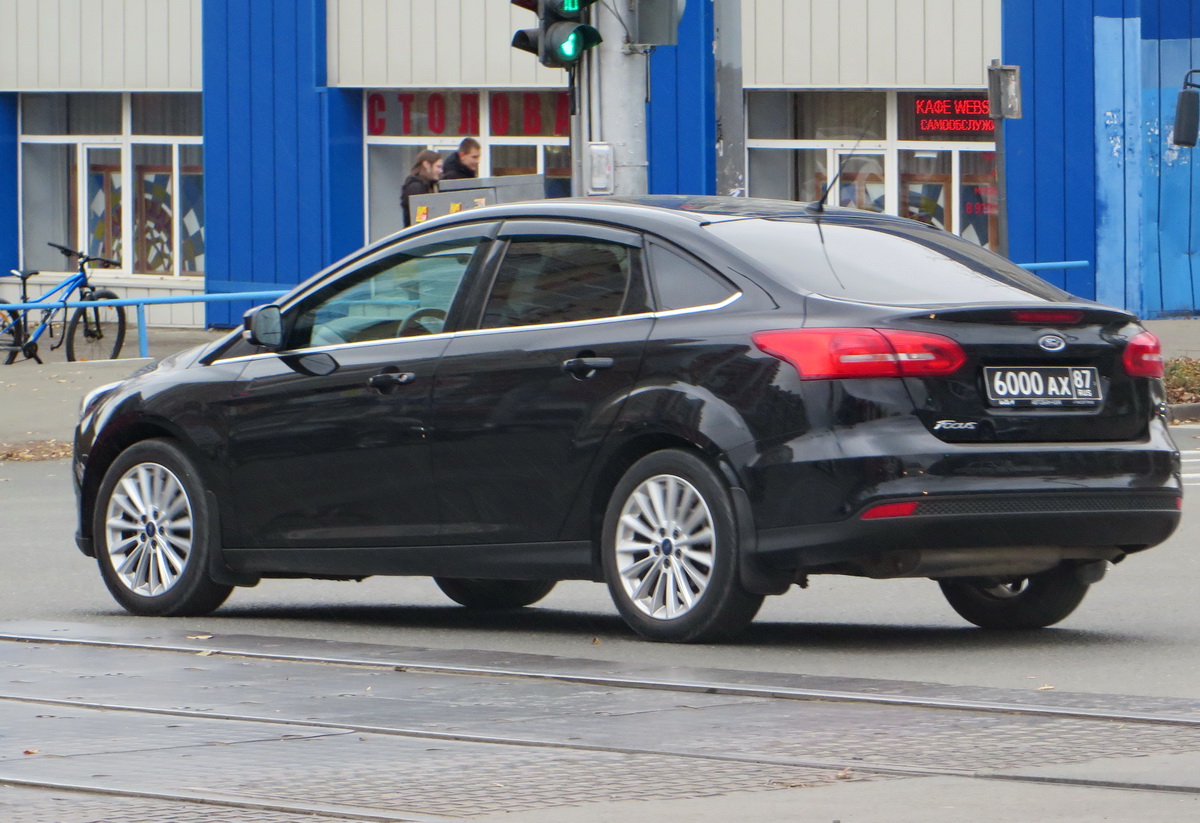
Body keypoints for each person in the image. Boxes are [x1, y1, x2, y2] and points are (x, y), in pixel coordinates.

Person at [401, 149, 443, 226]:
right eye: (438, 167)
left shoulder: (428, 185)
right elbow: (420, 220)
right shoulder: (416, 188)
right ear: (427, 165)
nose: (441, 171)